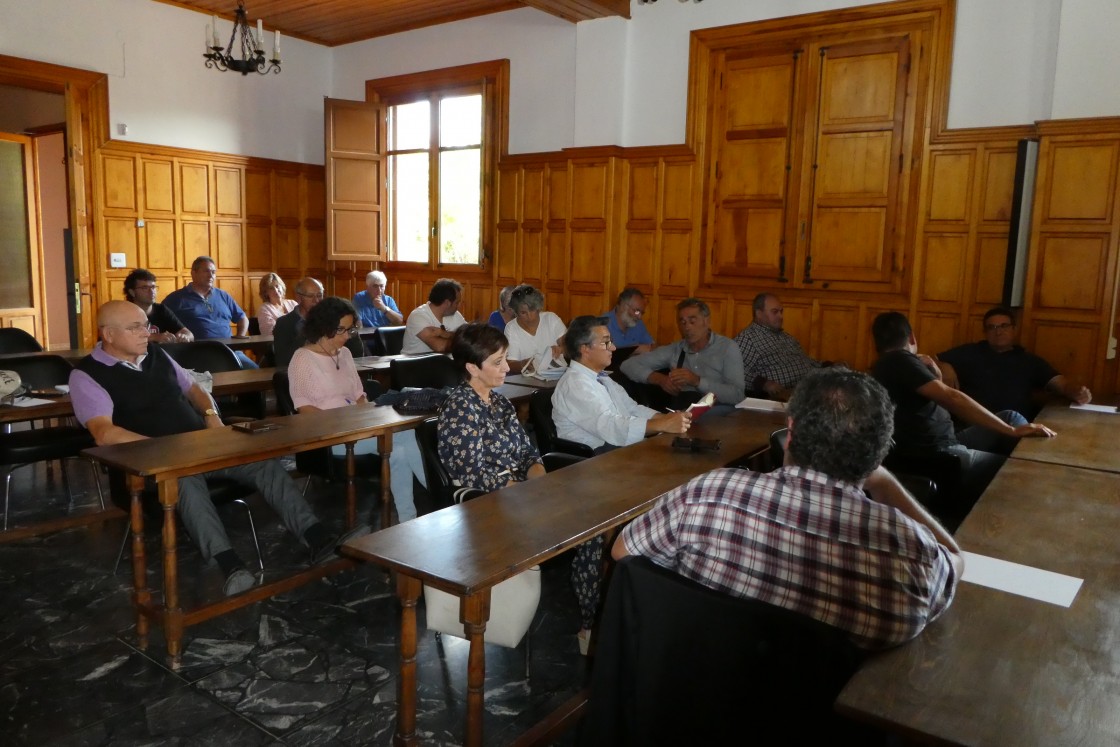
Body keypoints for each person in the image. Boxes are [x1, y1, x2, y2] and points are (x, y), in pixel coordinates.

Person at [613, 367, 963, 650]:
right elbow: (954, 559)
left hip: (692, 699)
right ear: (879, 452)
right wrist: (884, 483)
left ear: (790, 432)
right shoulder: (909, 547)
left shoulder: (709, 493)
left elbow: (623, 551)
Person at [69, 301, 364, 597]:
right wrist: (166, 448)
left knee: (263, 461)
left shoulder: (155, 355)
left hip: (200, 447)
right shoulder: (88, 375)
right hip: (150, 464)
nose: (146, 333)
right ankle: (229, 565)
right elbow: (105, 433)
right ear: (107, 334)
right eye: (135, 327)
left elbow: (196, 390)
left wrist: (212, 418)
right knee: (184, 480)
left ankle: (317, 538)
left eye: (146, 325)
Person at [438, 324, 614, 652]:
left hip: (518, 496)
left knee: (590, 523)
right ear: (472, 368)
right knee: (583, 525)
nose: (507, 368)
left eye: (505, 359)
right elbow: (473, 474)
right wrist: (524, 491)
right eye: (498, 362)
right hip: (483, 507)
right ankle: (589, 623)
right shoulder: (459, 409)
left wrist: (539, 481)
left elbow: (529, 454)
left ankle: (590, 625)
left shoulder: (500, 404)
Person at [871, 311, 1055, 524]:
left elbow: (936, 398)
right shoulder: (900, 361)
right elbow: (952, 398)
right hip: (941, 454)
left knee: (1011, 416)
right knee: (1020, 468)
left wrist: (937, 375)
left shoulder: (889, 364)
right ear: (912, 337)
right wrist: (1010, 431)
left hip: (949, 439)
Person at [287, 297, 427, 523]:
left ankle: (407, 519)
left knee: (400, 448)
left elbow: (359, 396)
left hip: (357, 427)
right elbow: (303, 408)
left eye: (349, 329)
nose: (346, 336)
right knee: (404, 435)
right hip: (327, 437)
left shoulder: (345, 354)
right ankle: (440, 492)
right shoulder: (302, 358)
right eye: (340, 329)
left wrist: (367, 417)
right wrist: (344, 422)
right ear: (323, 327)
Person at [552, 315, 690, 453]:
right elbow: (610, 426)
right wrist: (662, 424)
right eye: (606, 342)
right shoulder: (575, 385)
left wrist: (668, 418)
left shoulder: (602, 378)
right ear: (585, 349)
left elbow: (631, 409)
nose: (613, 348)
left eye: (611, 341)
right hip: (593, 459)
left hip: (614, 448)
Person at [937, 306, 1092, 420]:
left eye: (1004, 326)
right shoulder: (970, 352)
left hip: (1014, 427)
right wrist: (944, 366)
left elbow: (1062, 384)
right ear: (985, 332)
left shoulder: (1029, 361)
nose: (998, 332)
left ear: (1014, 329)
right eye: (992, 328)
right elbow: (930, 360)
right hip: (974, 423)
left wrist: (1076, 391)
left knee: (1014, 419)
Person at [620, 298, 744, 408]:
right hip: (683, 411)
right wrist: (660, 379)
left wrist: (697, 381)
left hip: (719, 412)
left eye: (692, 321)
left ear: (706, 321)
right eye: (682, 322)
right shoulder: (676, 349)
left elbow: (737, 395)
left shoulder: (727, 347)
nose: (687, 327)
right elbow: (628, 365)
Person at [163, 256, 258, 369]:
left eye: (213, 272)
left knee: (254, 371)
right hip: (199, 353)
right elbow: (159, 320)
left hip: (231, 350)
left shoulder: (223, 295)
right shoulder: (176, 298)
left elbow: (242, 318)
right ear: (193, 273)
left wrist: (240, 337)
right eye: (206, 271)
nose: (211, 275)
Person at [733, 293, 820, 400]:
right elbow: (732, 371)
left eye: (781, 312)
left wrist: (829, 365)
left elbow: (806, 362)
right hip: (779, 397)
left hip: (809, 388)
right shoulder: (748, 338)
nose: (781, 316)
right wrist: (764, 384)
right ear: (759, 314)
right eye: (775, 312)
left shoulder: (787, 338)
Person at [273, 277, 364, 367]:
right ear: (298, 297)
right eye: (310, 296)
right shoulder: (284, 323)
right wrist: (310, 327)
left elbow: (357, 351)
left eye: (319, 295)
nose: (316, 300)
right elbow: (283, 361)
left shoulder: (334, 318)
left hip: (337, 367)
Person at [504, 285, 567, 374]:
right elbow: (510, 364)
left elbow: (571, 347)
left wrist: (561, 349)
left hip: (556, 375)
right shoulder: (511, 329)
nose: (529, 316)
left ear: (538, 307)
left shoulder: (551, 319)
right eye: (523, 313)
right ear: (516, 312)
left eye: (532, 309)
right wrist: (524, 364)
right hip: (527, 379)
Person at [123, 268, 193, 343]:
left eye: (153, 287)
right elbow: (120, 339)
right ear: (132, 292)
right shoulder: (124, 312)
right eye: (145, 288)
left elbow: (189, 334)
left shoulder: (161, 309)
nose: (151, 291)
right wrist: (154, 337)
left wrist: (185, 336)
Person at [402, 278, 467, 355]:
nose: (459, 306)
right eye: (457, 302)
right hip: (413, 364)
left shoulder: (454, 314)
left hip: (441, 363)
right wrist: (462, 341)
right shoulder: (418, 316)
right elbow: (440, 347)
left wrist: (447, 334)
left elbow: (470, 336)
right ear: (447, 303)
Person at [601, 287, 654, 353]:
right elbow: (605, 354)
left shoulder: (638, 324)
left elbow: (652, 346)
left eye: (642, 313)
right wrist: (634, 349)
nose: (640, 317)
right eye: (636, 311)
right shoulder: (602, 324)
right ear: (623, 306)